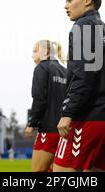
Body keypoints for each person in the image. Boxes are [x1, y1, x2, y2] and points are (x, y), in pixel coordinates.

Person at [53, 0, 105, 172]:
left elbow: (84, 74)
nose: (65, 5)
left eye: (70, 0)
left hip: (90, 119)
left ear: (87, 1)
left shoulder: (83, 25)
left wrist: (68, 113)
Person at [24, 40, 67, 172]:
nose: (32, 55)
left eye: (35, 51)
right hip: (64, 131)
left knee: (38, 170)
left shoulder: (41, 68)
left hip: (48, 130)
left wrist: (31, 124)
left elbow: (39, 99)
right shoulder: (65, 71)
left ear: (46, 52)